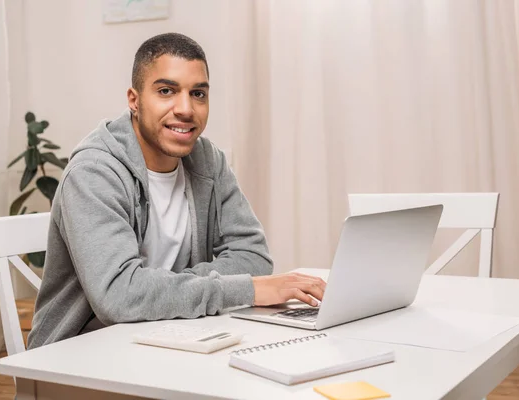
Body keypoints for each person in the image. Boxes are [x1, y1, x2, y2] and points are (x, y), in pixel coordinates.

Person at [27, 32, 326, 349]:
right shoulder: (93, 173)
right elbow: (119, 296)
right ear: (134, 100)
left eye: (198, 94)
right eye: (166, 91)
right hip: (79, 356)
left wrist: (166, 290)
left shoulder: (207, 160)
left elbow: (253, 256)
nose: (186, 108)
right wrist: (246, 289)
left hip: (172, 339)